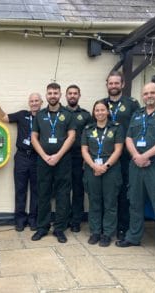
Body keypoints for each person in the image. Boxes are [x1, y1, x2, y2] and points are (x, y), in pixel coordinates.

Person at [116, 82, 155, 265]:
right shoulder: (137, 115)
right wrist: (137, 156)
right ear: (142, 96)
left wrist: (145, 155)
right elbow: (128, 138)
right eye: (145, 93)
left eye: (152, 92)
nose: (149, 96)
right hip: (136, 165)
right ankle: (133, 237)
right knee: (135, 204)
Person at [30, 82, 76, 243]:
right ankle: (42, 228)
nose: (53, 96)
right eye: (50, 93)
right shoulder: (40, 115)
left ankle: (59, 229)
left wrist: (58, 155)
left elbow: (71, 136)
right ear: (46, 95)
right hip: (43, 161)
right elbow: (34, 137)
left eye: (55, 93)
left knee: (63, 195)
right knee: (43, 194)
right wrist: (44, 155)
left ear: (60, 94)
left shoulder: (68, 115)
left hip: (63, 160)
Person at [0, 90, 43, 231]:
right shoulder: (22, 115)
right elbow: (3, 117)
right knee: (20, 189)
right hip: (22, 156)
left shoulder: (46, 117)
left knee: (36, 190)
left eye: (36, 101)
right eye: (32, 101)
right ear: (29, 103)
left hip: (38, 157)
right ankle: (20, 219)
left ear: (41, 103)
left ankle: (33, 219)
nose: (34, 103)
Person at [103, 71, 140, 240]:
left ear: (123, 84)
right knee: (108, 193)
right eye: (111, 83)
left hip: (126, 156)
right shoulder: (101, 104)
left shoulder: (131, 104)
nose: (113, 86)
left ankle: (123, 227)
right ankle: (107, 227)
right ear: (107, 85)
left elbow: (139, 126)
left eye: (116, 83)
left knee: (125, 191)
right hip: (105, 156)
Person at [81, 100, 123, 247]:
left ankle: (107, 234)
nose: (99, 113)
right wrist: (93, 166)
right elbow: (84, 150)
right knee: (94, 201)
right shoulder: (87, 129)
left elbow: (118, 149)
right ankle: (95, 232)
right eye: (97, 110)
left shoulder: (116, 128)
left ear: (107, 111)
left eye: (102, 110)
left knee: (110, 202)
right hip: (92, 168)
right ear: (94, 113)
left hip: (111, 169)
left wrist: (105, 166)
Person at [65, 85, 92, 233]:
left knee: (78, 190)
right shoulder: (61, 113)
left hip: (79, 157)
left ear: (79, 95)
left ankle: (76, 220)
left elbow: (90, 138)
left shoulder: (86, 115)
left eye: (75, 93)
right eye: (70, 93)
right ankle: (64, 218)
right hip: (63, 156)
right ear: (66, 96)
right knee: (63, 190)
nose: (72, 96)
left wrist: (86, 159)